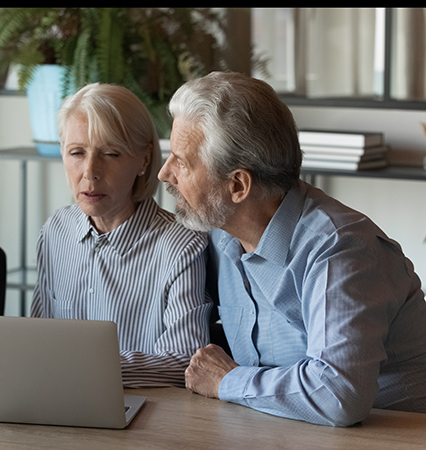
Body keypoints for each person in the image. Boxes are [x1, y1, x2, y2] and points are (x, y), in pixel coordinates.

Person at [158, 71, 426, 426]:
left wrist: (227, 381)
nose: (164, 173)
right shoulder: (221, 235)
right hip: (276, 430)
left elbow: (338, 395)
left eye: (183, 162)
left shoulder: (340, 249)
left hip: (391, 436)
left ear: (238, 185)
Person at [31, 83, 211, 388]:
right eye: (76, 152)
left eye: (111, 154)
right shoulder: (56, 231)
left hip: (146, 416)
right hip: (56, 404)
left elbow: (185, 360)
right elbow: (37, 342)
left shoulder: (181, 246)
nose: (90, 172)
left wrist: (85, 368)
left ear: (143, 160)